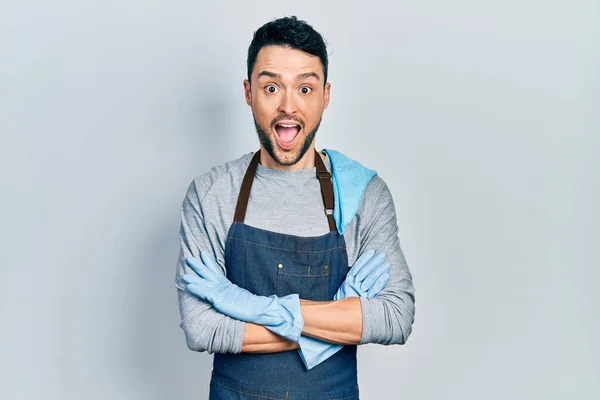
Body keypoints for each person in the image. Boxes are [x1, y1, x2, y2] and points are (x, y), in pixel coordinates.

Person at [174, 15, 416, 400]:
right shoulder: (210, 194)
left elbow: (394, 317)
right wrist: (337, 315)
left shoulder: (361, 193)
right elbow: (203, 327)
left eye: (305, 88)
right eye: (271, 87)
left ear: (326, 95)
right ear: (249, 92)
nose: (289, 106)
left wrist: (251, 307)